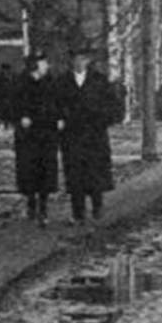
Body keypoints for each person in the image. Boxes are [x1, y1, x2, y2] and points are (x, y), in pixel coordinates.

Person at [56, 48, 123, 224]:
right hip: (72, 135)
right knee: (74, 172)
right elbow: (55, 105)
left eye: (83, 59)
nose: (79, 63)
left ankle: (97, 206)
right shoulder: (62, 82)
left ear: (88, 61)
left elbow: (114, 106)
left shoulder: (99, 81)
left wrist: (102, 120)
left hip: (94, 135)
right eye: (76, 59)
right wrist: (59, 119)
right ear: (71, 61)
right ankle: (78, 213)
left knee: (95, 171)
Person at [10, 52, 60, 226]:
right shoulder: (21, 83)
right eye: (44, 63)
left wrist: (59, 119)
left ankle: (44, 206)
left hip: (47, 133)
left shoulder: (51, 83)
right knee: (29, 169)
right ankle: (31, 202)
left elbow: (58, 104)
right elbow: (12, 104)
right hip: (28, 135)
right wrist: (21, 117)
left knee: (46, 169)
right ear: (35, 66)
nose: (47, 66)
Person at [0, 62, 17, 131]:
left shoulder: (13, 77)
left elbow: (16, 87)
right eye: (4, 70)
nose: (6, 71)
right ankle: (0, 126)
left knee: (10, 115)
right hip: (1, 99)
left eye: (7, 70)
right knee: (1, 114)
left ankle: (8, 128)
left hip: (11, 99)